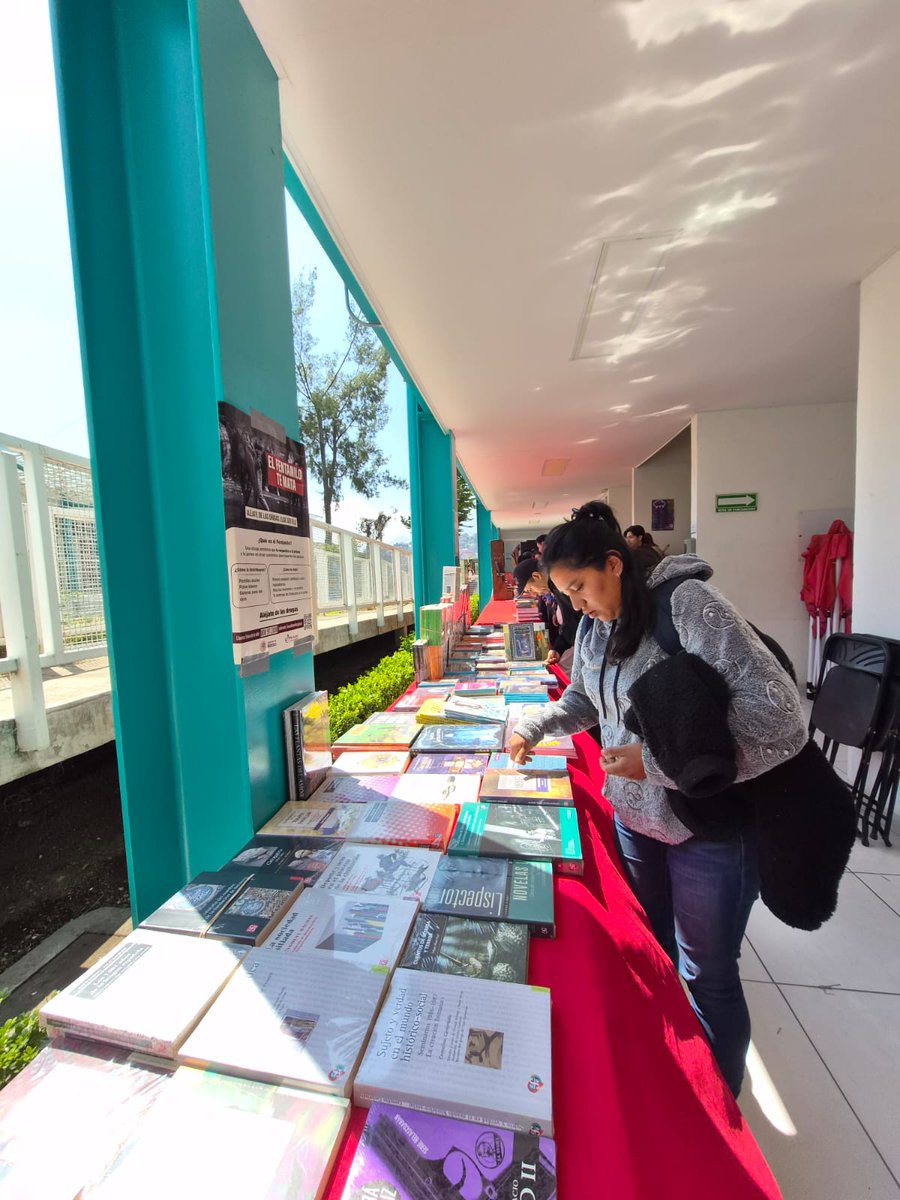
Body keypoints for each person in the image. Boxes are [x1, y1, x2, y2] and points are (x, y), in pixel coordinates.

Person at [508, 501, 807, 1097]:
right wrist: (533, 726)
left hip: (709, 828)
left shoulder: (689, 608)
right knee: (656, 956)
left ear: (614, 564)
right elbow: (587, 703)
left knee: (708, 975)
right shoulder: (593, 628)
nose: (574, 606)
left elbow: (781, 718)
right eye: (565, 594)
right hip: (636, 824)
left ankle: (722, 1113)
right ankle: (679, 1088)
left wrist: (655, 762)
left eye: (580, 588)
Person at [513, 555, 579, 671]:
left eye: (530, 589)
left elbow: (573, 622)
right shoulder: (554, 586)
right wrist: (557, 649)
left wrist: (558, 648)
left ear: (537, 576)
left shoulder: (560, 585)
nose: (534, 594)